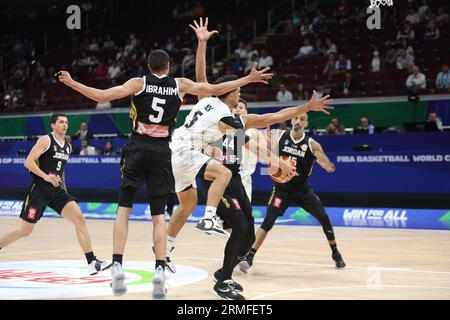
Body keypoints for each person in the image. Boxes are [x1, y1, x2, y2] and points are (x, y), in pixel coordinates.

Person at [58, 16, 273, 300]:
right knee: (159, 215)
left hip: (137, 148)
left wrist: (72, 83)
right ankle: (160, 268)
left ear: (149, 67)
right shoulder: (179, 84)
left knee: (124, 209)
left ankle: (118, 264)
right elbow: (212, 87)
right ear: (169, 67)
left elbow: (101, 95)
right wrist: (247, 78)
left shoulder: (138, 83)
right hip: (163, 151)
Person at [166, 20, 334, 300]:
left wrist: (307, 107)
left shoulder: (224, 111)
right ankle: (221, 274)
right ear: (229, 94)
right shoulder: (221, 114)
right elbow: (203, 77)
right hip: (211, 173)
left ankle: (223, 271)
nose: (241, 96)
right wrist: (276, 161)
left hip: (233, 178)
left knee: (247, 233)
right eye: (238, 93)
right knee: (240, 227)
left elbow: (273, 116)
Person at [0, 113, 110, 276]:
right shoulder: (45, 140)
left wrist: (63, 191)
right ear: (53, 125)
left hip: (57, 191)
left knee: (79, 218)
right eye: (60, 122)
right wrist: (46, 176)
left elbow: (61, 171)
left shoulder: (68, 146)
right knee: (25, 230)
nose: (64, 124)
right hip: (39, 190)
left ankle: (92, 262)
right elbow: (28, 162)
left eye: (66, 122)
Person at [238, 113, 346, 273]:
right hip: (281, 189)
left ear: (306, 123)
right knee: (268, 221)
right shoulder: (280, 137)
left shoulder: (312, 144)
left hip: (302, 189)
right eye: (296, 118)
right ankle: (250, 256)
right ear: (291, 120)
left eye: (302, 119)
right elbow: (264, 150)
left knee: (324, 218)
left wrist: (328, 165)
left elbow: (325, 161)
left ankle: (335, 252)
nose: (298, 121)